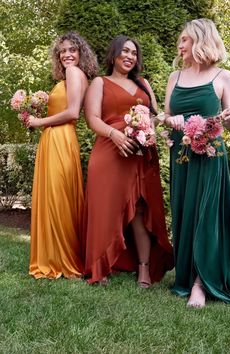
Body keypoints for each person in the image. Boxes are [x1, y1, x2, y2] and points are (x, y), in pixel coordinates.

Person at [82, 35, 174, 287]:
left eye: (134, 53)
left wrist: (147, 128)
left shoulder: (143, 84)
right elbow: (93, 119)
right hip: (110, 153)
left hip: (139, 155)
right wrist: (115, 133)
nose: (130, 56)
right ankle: (100, 266)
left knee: (141, 210)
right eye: (125, 51)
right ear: (113, 55)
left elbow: (155, 116)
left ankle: (143, 267)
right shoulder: (100, 82)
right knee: (106, 208)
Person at [164, 18, 230, 307]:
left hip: (210, 155)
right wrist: (171, 120)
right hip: (182, 155)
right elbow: (165, 117)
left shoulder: (223, 76)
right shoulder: (175, 77)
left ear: (201, 40)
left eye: (185, 40)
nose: (180, 45)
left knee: (207, 215)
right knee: (186, 211)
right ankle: (186, 273)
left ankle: (200, 283)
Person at [27, 32, 98, 279]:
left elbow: (72, 113)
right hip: (55, 139)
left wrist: (38, 121)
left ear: (81, 54)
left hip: (60, 138)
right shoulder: (71, 76)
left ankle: (61, 259)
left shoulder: (74, 73)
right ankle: (55, 255)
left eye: (72, 50)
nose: (67, 54)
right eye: (63, 51)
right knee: (56, 197)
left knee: (59, 198)